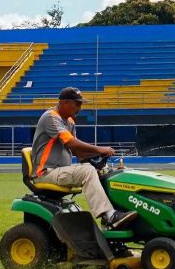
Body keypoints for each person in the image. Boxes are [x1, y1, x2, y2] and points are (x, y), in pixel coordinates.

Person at [32, 87, 137, 229]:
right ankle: (110, 215)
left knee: (102, 172)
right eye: (77, 104)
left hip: (60, 171)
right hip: (46, 172)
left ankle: (112, 219)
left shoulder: (69, 121)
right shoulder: (51, 117)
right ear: (65, 102)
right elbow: (70, 142)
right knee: (87, 171)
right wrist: (99, 149)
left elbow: (77, 151)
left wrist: (99, 156)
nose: (80, 108)